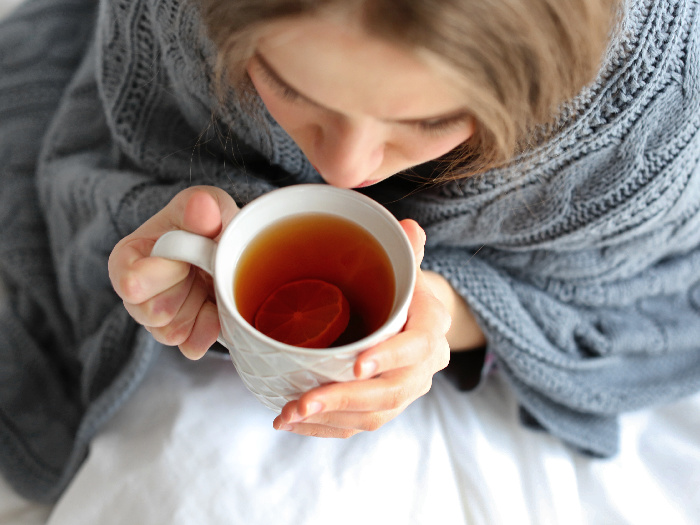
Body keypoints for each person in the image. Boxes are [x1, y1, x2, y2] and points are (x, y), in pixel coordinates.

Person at [1, 0, 699, 504]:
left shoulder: (649, 107)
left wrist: (450, 314)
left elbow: (649, 288)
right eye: (292, 87)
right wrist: (151, 235)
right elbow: (131, 132)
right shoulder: (179, 18)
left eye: (428, 119)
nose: (346, 168)